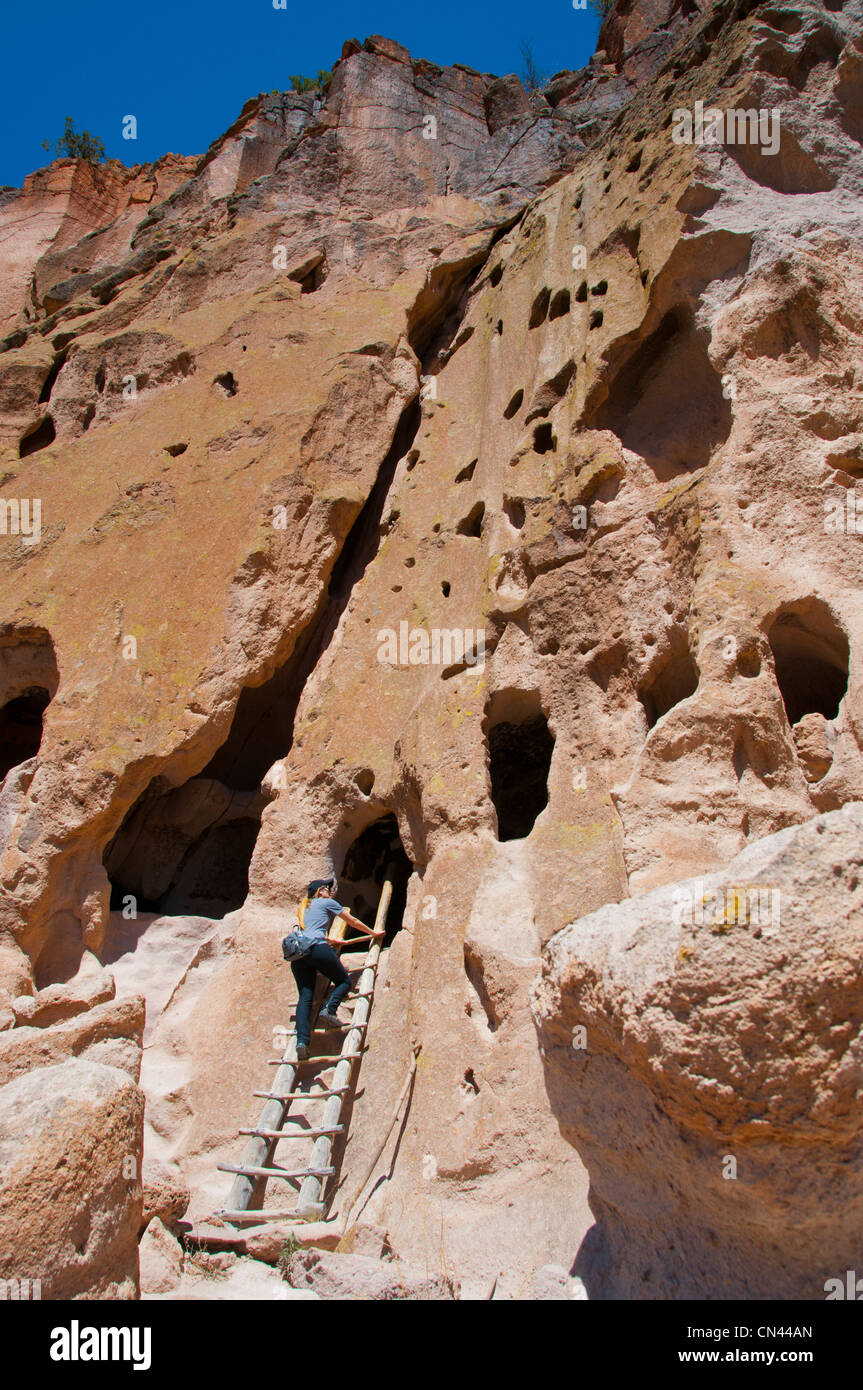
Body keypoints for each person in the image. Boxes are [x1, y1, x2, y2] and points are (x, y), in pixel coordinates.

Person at [291, 878, 384, 1060]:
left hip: (299, 954)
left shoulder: (305, 907)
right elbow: (352, 921)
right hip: (317, 948)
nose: (330, 892)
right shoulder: (327, 902)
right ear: (319, 892)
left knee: (305, 997)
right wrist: (373, 933)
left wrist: (331, 941)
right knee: (343, 981)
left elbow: (310, 931)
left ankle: (301, 1042)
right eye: (327, 889)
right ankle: (329, 1009)